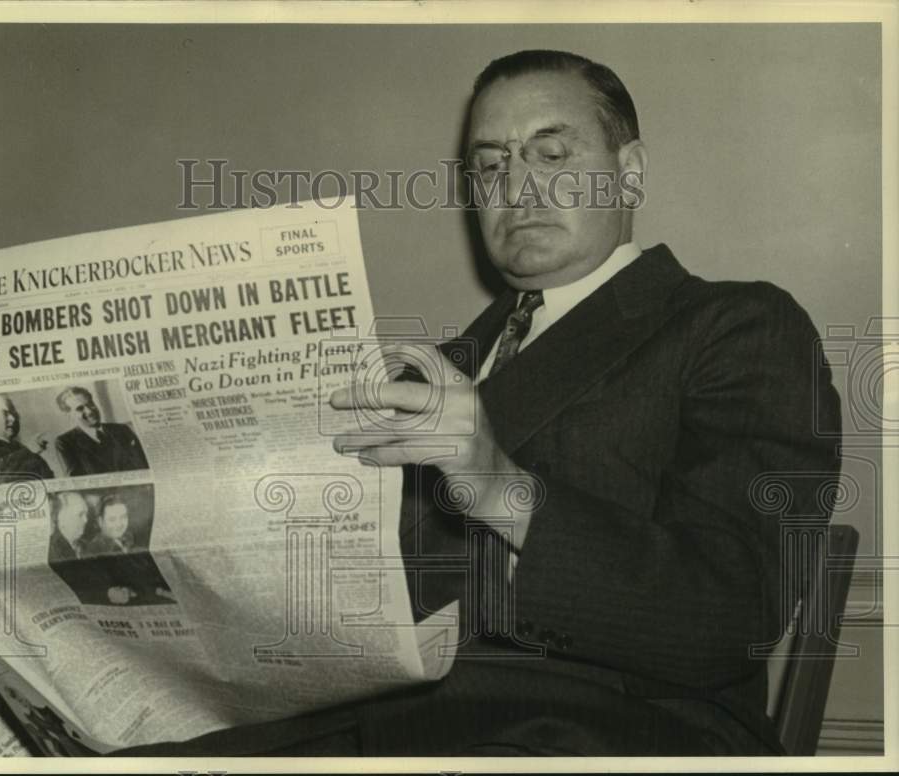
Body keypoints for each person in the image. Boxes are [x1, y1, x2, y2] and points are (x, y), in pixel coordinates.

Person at [116, 49, 841, 757]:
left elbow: (729, 614)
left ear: (630, 172)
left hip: (604, 729)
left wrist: (501, 487)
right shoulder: (435, 369)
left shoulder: (734, 325)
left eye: (551, 156)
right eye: (492, 166)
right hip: (370, 718)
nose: (517, 189)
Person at [54, 387, 149, 476]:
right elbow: (76, 480)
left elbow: (144, 465)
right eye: (80, 409)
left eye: (90, 404)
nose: (89, 411)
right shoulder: (65, 442)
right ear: (69, 415)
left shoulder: (122, 430)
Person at [0, 394, 54, 486]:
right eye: (5, 414)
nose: (12, 419)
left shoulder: (20, 447)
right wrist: (27, 451)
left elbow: (49, 477)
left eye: (14, 414)